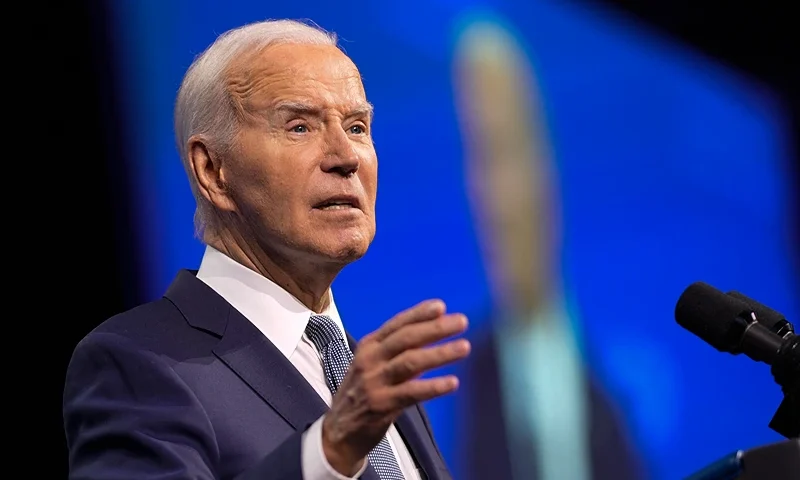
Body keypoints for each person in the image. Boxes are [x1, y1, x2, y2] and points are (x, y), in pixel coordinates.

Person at [63, 19, 469, 480]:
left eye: (357, 127)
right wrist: (329, 450)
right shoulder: (137, 363)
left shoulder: (371, 382)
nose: (346, 157)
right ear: (213, 171)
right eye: (299, 127)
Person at [451, 19, 643, 480]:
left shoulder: (614, 352)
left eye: (508, 152)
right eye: (481, 160)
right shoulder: (471, 378)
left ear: (546, 167)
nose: (497, 201)